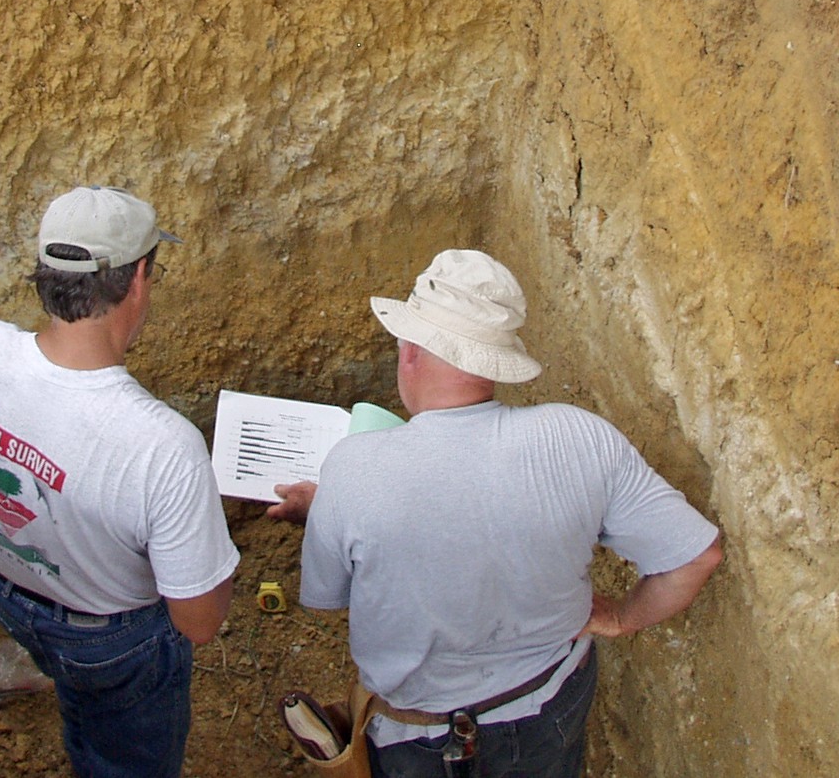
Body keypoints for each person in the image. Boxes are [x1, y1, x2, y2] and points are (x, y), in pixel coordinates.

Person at [269, 249, 722, 778]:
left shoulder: (352, 469)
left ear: (410, 350)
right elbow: (698, 557)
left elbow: (331, 594)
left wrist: (324, 511)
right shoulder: (580, 437)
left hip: (419, 736)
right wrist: (621, 616)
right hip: (548, 706)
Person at [0, 186, 238, 778]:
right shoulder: (163, 444)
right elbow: (198, 623)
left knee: (64, 668)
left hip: (8, 594)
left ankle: (51, 666)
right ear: (140, 278)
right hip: (111, 645)